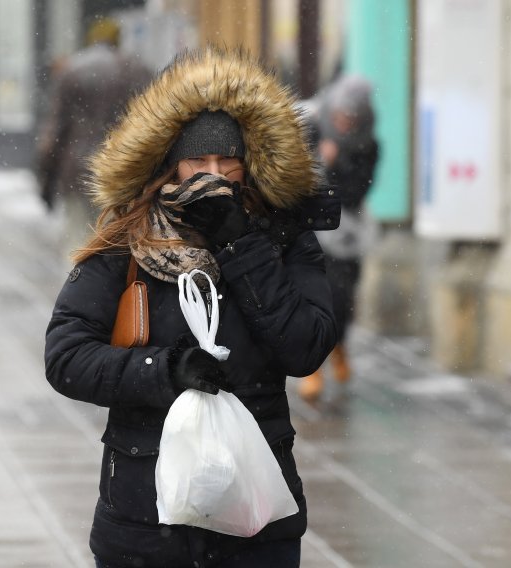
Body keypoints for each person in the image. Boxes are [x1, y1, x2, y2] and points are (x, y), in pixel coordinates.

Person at [44, 47, 337, 568]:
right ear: (167, 164)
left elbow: (304, 347)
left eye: (228, 161)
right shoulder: (126, 240)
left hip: (254, 512)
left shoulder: (284, 238)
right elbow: (66, 358)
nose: (214, 175)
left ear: (250, 165)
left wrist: (240, 244)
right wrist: (166, 369)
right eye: (197, 161)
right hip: (144, 512)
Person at [36, 18, 152, 261]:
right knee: (117, 243)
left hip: (77, 170)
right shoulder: (139, 70)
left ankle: (78, 294)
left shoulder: (72, 70)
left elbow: (56, 132)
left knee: (79, 243)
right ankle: (115, 296)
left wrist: (46, 180)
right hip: (122, 170)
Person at [297, 75, 380, 402]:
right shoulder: (312, 129)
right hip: (309, 230)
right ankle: (313, 365)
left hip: (346, 234)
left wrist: (336, 163)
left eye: (352, 118)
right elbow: (296, 178)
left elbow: (358, 192)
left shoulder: (368, 145)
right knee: (313, 297)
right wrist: (321, 162)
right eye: (340, 116)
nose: (345, 123)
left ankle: (339, 345)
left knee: (342, 300)